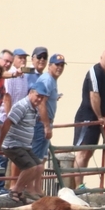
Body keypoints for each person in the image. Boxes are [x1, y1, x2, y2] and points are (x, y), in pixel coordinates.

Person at [0, 81, 50, 204]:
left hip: (24, 145)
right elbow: (7, 122)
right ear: (31, 93)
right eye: (38, 96)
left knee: (39, 167)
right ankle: (15, 190)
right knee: (30, 167)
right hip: (13, 144)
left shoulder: (33, 107)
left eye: (42, 97)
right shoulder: (22, 106)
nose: (39, 99)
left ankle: (20, 191)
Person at [73, 49, 105, 188]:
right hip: (87, 117)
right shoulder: (95, 71)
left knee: (89, 153)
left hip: (98, 119)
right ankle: (77, 186)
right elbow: (94, 95)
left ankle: (79, 185)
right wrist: (99, 116)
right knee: (83, 151)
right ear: (101, 58)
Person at [0, 49, 29, 193]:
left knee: (10, 153)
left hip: (16, 121)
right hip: (4, 119)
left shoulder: (24, 76)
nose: (23, 60)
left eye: (24, 58)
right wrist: (10, 118)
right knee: (1, 154)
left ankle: (3, 187)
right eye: (20, 58)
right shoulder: (9, 76)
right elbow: (7, 97)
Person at [31, 53, 66, 197]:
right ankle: (32, 189)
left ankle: (37, 188)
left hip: (45, 122)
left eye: (62, 65)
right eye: (56, 65)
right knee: (36, 158)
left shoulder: (51, 80)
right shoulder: (47, 79)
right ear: (50, 66)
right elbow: (41, 102)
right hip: (41, 123)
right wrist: (46, 125)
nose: (59, 68)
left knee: (42, 157)